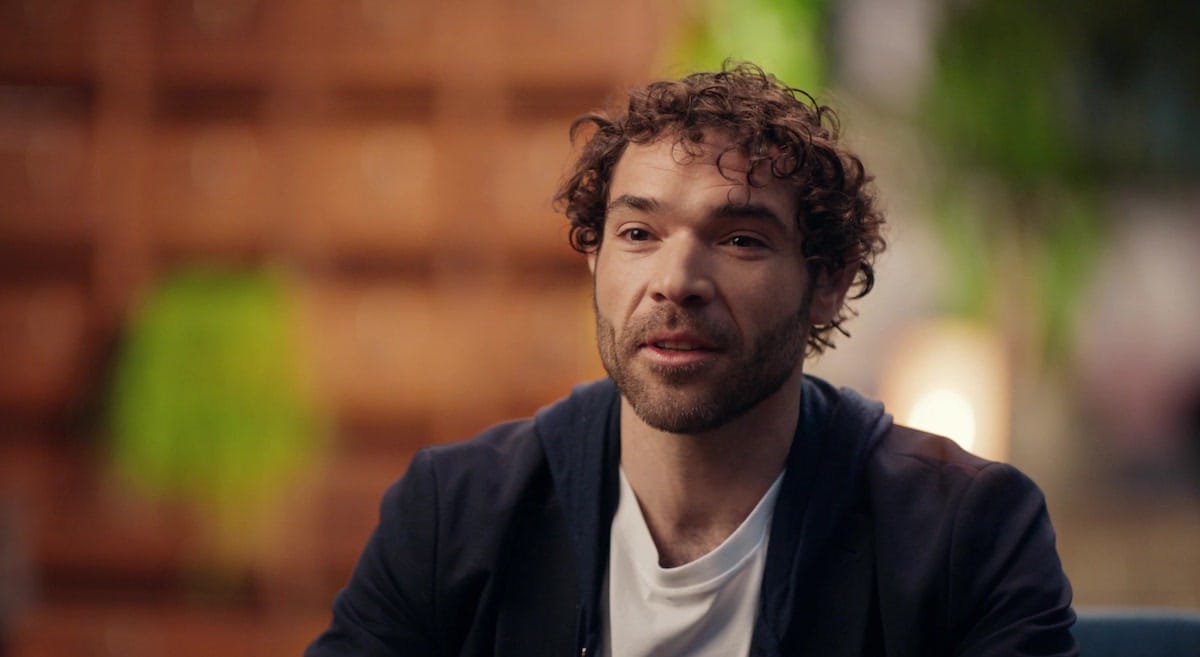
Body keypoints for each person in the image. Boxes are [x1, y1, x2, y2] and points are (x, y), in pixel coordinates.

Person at [306, 62, 1077, 657]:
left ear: (828, 283)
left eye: (740, 238)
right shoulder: (455, 514)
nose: (675, 281)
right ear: (594, 259)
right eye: (638, 234)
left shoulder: (964, 532)